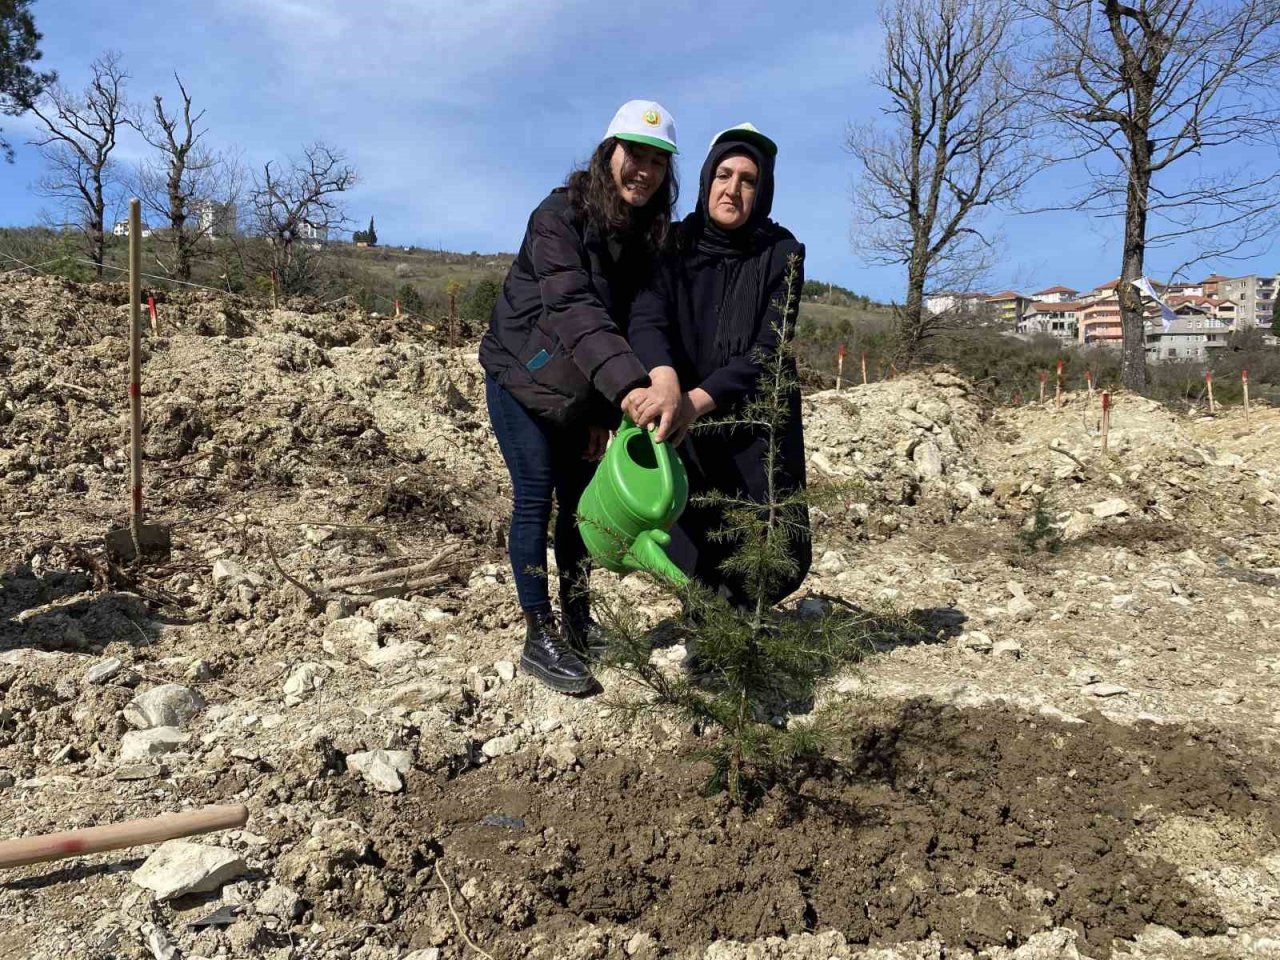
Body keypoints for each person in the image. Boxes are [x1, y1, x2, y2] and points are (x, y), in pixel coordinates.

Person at [479, 100, 683, 694]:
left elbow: (639, 319)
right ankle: (537, 635)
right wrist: (628, 391)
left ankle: (577, 621)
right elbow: (575, 311)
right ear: (607, 155)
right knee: (537, 497)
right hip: (521, 377)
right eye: (633, 155)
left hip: (582, 391)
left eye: (656, 161)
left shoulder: (646, 238)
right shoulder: (556, 218)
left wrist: (605, 409)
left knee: (579, 504)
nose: (642, 170)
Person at [628, 123, 811, 611]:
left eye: (748, 180)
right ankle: (706, 623)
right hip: (682, 409)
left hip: (753, 416)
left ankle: (745, 629)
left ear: (762, 189)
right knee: (693, 536)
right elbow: (647, 317)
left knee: (767, 536)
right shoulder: (672, 244)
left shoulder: (782, 254)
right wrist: (666, 381)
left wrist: (698, 401)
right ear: (707, 179)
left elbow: (768, 349)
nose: (733, 189)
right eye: (724, 175)